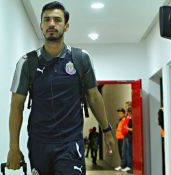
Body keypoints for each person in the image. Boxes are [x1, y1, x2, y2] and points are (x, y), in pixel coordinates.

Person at [6, 1, 114, 175]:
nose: (51, 24)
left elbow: (94, 97)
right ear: (41, 26)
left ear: (66, 26)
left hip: (71, 143)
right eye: (47, 20)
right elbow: (16, 106)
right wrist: (13, 148)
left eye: (57, 20)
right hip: (38, 143)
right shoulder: (27, 63)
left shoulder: (81, 58)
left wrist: (107, 130)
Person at [118, 107, 133, 172]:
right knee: (124, 151)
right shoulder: (127, 118)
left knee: (128, 152)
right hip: (125, 136)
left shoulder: (131, 119)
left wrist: (127, 128)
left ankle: (129, 166)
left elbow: (134, 128)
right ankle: (123, 165)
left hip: (129, 136)